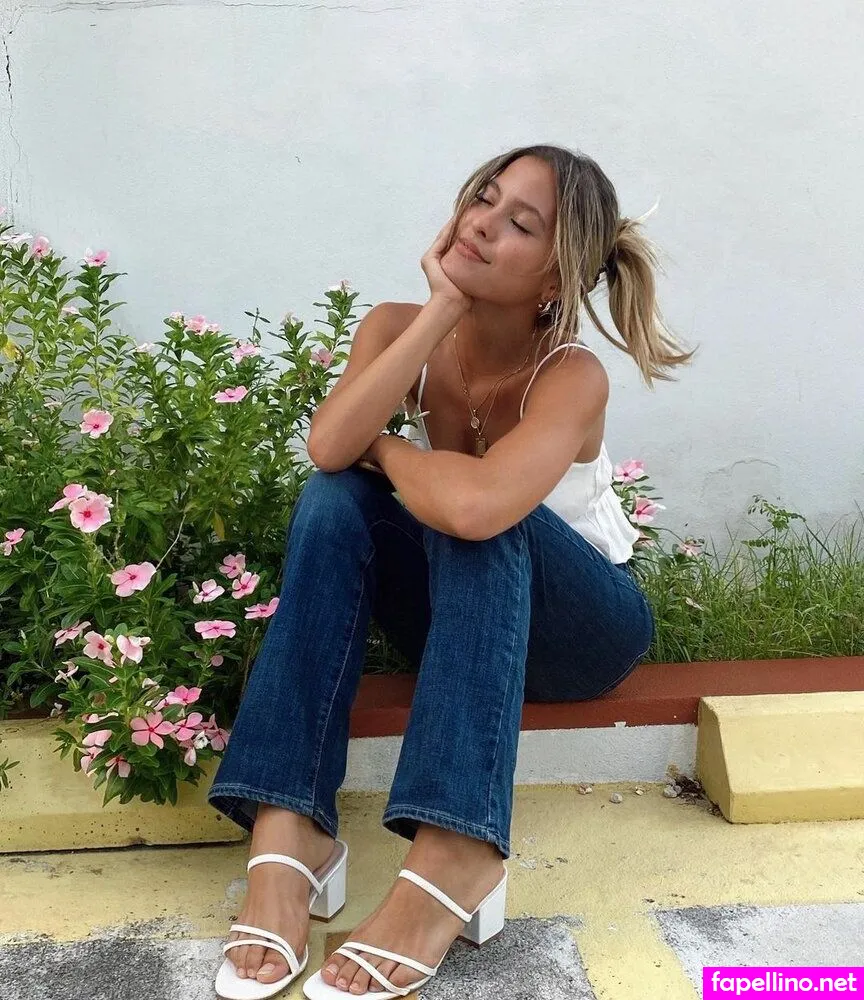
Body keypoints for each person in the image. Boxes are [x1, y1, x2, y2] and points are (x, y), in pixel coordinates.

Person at [208, 143, 696, 1000]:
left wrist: (388, 448)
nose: (483, 222)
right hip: (466, 612)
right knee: (334, 498)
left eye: (520, 223)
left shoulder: (571, 373)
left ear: (555, 276)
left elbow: (474, 509)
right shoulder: (396, 328)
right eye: (484, 197)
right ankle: (289, 829)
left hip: (581, 631)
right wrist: (439, 311)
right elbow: (330, 447)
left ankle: (457, 847)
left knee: (483, 516)